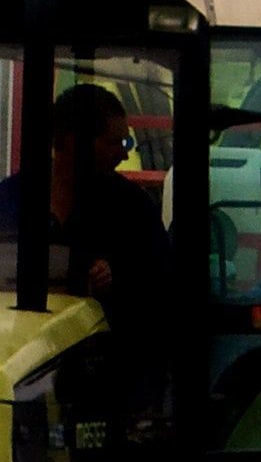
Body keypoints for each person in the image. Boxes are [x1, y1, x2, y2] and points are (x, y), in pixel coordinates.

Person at [0, 82, 170, 314]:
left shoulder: (133, 208)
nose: (124, 154)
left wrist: (116, 277)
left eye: (127, 142)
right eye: (115, 143)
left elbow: (161, 288)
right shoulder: (8, 198)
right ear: (74, 142)